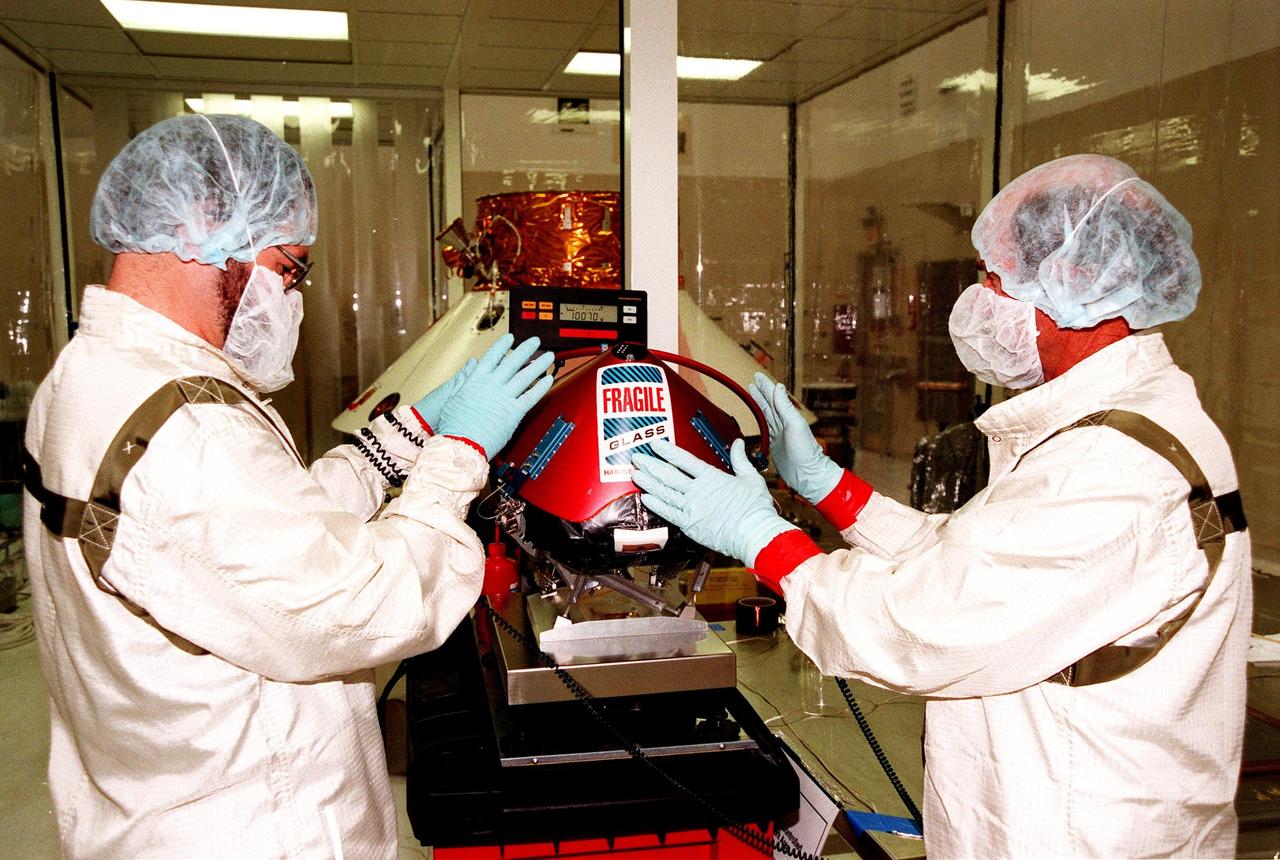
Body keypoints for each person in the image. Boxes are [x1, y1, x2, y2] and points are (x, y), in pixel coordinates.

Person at [632, 154, 1250, 858]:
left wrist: (761, 538)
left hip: (1081, 835)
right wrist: (830, 488)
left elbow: (923, 622)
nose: (981, 297)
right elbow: (977, 565)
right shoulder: (1115, 425)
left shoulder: (1111, 466)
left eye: (997, 277)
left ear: (1075, 282)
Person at [22, 114, 553, 858]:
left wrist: (408, 436)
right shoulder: (187, 431)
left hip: (154, 797)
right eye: (291, 267)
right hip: (255, 826)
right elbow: (362, 601)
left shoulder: (90, 376)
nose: (294, 297)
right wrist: (458, 454)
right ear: (206, 230)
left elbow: (257, 543)